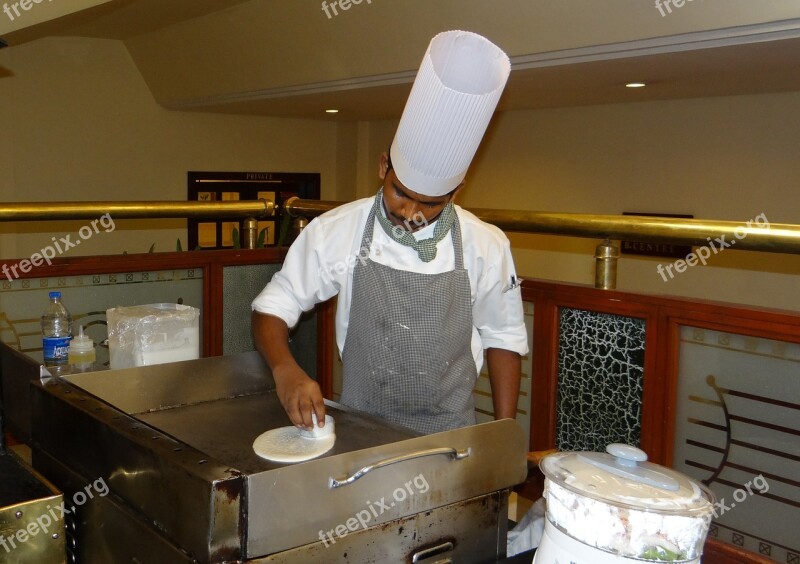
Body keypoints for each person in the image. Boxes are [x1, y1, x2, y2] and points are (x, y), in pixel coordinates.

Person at [251, 30, 528, 435]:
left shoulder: (486, 244)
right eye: (400, 193)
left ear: (456, 192)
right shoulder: (338, 231)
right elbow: (272, 307)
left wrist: (503, 435)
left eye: (431, 204)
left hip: (449, 433)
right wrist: (286, 370)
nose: (410, 212)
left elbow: (503, 337)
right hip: (361, 429)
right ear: (384, 167)